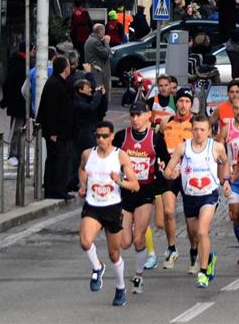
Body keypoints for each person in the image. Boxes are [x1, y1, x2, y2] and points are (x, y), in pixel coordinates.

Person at [162, 114, 231, 288]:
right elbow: (168, 170)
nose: (199, 133)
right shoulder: (183, 148)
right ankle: (209, 258)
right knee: (194, 235)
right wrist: (171, 174)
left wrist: (225, 180)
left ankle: (203, 272)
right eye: (196, 129)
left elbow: (225, 162)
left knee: (202, 231)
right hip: (190, 196)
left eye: (202, 130)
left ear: (209, 131)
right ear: (191, 130)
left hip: (209, 195)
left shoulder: (216, 147)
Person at [77, 120, 140, 307]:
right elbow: (82, 169)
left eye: (104, 136)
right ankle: (97, 267)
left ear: (112, 136)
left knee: (114, 253)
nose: (101, 139)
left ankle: (120, 288)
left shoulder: (120, 156)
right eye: (97, 136)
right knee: (85, 241)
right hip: (93, 205)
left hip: (112, 207)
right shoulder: (88, 154)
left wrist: (119, 181)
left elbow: (135, 185)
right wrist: (83, 185)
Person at [113, 102, 169, 295]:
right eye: (132, 115)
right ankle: (130, 229)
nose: (135, 119)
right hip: (125, 192)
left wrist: (164, 171)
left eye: (139, 115)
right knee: (124, 242)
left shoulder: (156, 139)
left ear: (148, 115)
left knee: (138, 239)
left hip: (145, 192)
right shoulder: (122, 137)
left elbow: (165, 161)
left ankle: (138, 276)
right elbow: (111, 158)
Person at [157, 90, 195, 269]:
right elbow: (158, 146)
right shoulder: (166, 122)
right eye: (181, 100)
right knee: (168, 211)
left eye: (187, 101)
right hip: (170, 173)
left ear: (191, 104)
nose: (183, 104)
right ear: (176, 102)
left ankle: (194, 250)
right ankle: (172, 248)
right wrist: (162, 163)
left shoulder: (196, 123)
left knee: (190, 218)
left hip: (189, 173)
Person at [218, 96, 239, 266]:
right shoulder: (227, 128)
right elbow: (220, 154)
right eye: (236, 108)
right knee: (235, 215)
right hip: (233, 178)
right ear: (232, 109)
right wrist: (223, 176)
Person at [38, 56, 76, 199]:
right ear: (64, 68)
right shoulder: (55, 84)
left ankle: (58, 188)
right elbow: (51, 110)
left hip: (61, 131)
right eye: (68, 66)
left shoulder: (59, 83)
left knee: (59, 159)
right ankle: (55, 189)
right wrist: (53, 132)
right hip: (56, 132)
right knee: (57, 160)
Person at [0, 42, 29, 166]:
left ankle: (19, 153)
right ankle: (12, 154)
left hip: (23, 103)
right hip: (17, 103)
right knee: (16, 129)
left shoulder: (25, 63)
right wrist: (6, 100)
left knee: (22, 130)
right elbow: (9, 83)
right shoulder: (18, 63)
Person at [72, 77, 106, 154]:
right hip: (85, 134)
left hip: (94, 131)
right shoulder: (78, 103)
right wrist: (98, 93)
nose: (90, 89)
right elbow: (91, 107)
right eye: (88, 88)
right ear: (80, 90)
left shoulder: (90, 99)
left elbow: (102, 109)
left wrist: (103, 96)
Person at [84, 24, 113, 98]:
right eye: (104, 31)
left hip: (95, 70)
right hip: (97, 73)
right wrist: (106, 43)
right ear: (101, 31)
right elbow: (105, 54)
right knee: (101, 94)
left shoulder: (91, 39)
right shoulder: (95, 42)